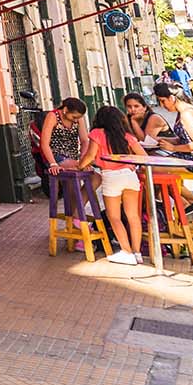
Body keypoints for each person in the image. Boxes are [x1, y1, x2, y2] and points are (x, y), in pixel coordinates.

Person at [76, 104, 143, 265]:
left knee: (114, 217)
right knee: (133, 217)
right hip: (130, 176)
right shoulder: (127, 136)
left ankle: (126, 252)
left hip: (111, 177)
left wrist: (80, 165)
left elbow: (90, 155)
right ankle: (137, 252)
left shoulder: (97, 133)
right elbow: (143, 156)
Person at [38, 97, 89, 173]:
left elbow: (84, 141)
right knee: (79, 168)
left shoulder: (78, 119)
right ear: (65, 110)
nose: (75, 120)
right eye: (74, 117)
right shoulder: (53, 116)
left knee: (96, 177)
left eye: (78, 117)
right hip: (56, 156)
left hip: (72, 156)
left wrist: (83, 157)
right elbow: (44, 143)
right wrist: (53, 164)